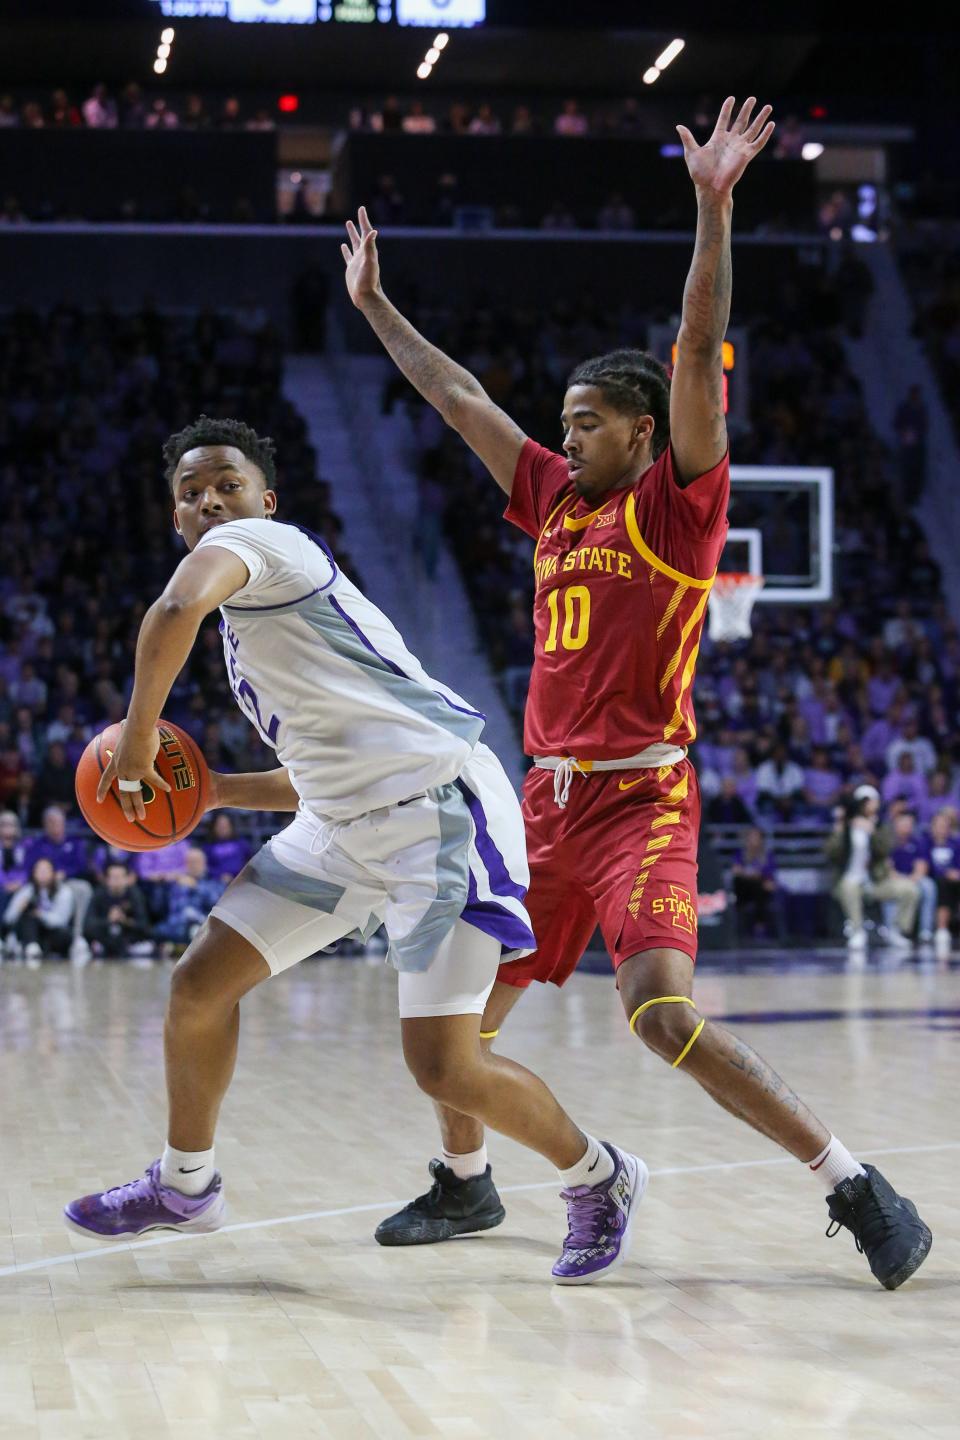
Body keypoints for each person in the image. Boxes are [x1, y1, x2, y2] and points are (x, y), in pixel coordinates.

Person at [347, 95, 931, 1290]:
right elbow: (460, 398)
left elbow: (693, 342)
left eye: (587, 420)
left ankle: (854, 1186)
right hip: (543, 810)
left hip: (641, 804)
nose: (565, 432)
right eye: (563, 420)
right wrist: (375, 309)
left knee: (662, 1019)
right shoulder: (557, 496)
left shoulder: (679, 503)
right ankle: (467, 1185)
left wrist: (713, 208)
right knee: (448, 1036)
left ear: (642, 430)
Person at [63, 415, 643, 1287]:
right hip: (340, 826)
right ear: (173, 516)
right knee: (198, 987)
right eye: (190, 494)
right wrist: (216, 788)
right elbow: (315, 777)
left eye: (226, 483)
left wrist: (139, 740)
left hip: (438, 816)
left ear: (266, 498)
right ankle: (187, 1187)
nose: (210, 500)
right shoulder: (249, 632)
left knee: (444, 1065)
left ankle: (600, 1175)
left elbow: (173, 606)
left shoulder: (265, 548)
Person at [827, 786, 918, 952]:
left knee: (909, 890)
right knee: (849, 886)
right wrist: (840, 830)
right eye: (868, 802)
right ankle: (857, 931)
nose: (872, 805)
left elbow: (885, 849)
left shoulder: (881, 825)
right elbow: (830, 853)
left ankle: (896, 930)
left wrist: (872, 831)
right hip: (849, 880)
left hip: (875, 881)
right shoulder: (846, 827)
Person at [3, 857, 75, 964]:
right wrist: (19, 909)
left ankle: (31, 947)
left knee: (65, 934)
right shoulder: (27, 890)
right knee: (28, 917)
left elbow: (61, 921)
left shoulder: (64, 892)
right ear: (34, 873)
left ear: (53, 873)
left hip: (53, 933)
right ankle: (31, 946)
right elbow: (7, 918)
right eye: (39, 871)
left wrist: (41, 914)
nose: (42, 874)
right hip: (31, 932)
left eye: (46, 870)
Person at [83, 861, 154, 959]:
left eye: (120, 877)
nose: (117, 881)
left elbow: (145, 926)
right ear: (107, 879)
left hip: (130, 941)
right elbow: (88, 925)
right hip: (104, 939)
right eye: (113, 877)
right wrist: (108, 920)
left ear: (127, 879)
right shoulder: (99, 894)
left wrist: (125, 921)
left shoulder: (135, 895)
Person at [889, 809, 935, 944]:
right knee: (892, 889)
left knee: (928, 886)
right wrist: (901, 880)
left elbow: (922, 867)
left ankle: (925, 931)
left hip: (913, 878)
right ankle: (892, 929)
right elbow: (887, 868)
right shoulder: (889, 842)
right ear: (896, 824)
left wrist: (912, 879)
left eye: (910, 824)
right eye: (904, 823)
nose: (907, 826)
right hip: (895, 878)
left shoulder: (918, 842)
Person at [924, 809, 960, 958]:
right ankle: (942, 929)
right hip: (935, 879)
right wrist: (946, 873)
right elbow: (924, 866)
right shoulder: (926, 843)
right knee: (942, 885)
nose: (942, 829)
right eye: (938, 825)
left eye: (945, 826)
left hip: (954, 879)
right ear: (932, 827)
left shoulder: (955, 844)